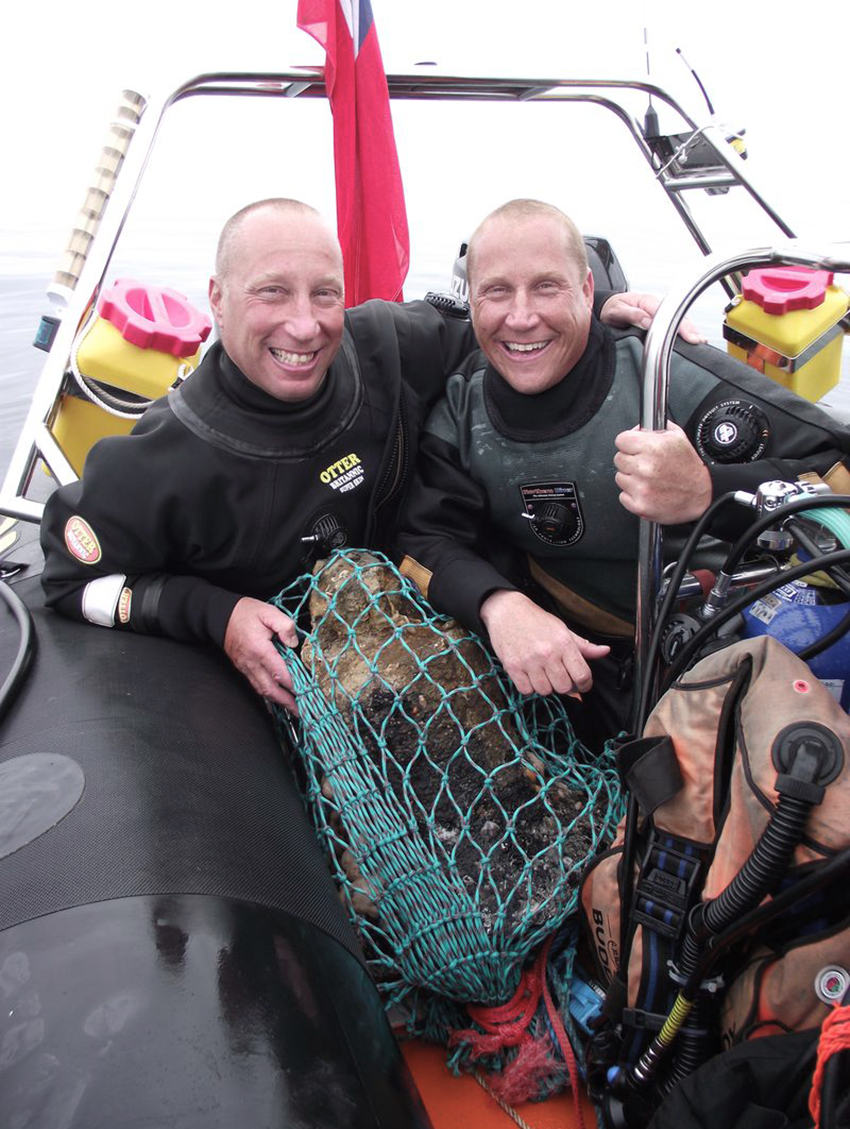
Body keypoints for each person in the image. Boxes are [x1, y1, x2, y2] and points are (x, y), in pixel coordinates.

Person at [39, 197, 667, 712]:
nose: (306, 326)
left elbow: (506, 334)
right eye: (272, 294)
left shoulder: (386, 348)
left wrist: (597, 326)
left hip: (428, 609)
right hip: (284, 690)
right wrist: (214, 613)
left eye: (325, 294)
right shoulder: (163, 458)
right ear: (217, 299)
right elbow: (71, 583)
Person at [396, 198, 850, 745]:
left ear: (588, 291)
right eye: (497, 291)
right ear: (472, 300)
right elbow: (426, 538)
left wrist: (708, 492)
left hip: (732, 642)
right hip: (585, 664)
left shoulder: (668, 374)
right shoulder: (462, 412)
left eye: (547, 287)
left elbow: (835, 473)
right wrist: (499, 605)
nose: (521, 317)